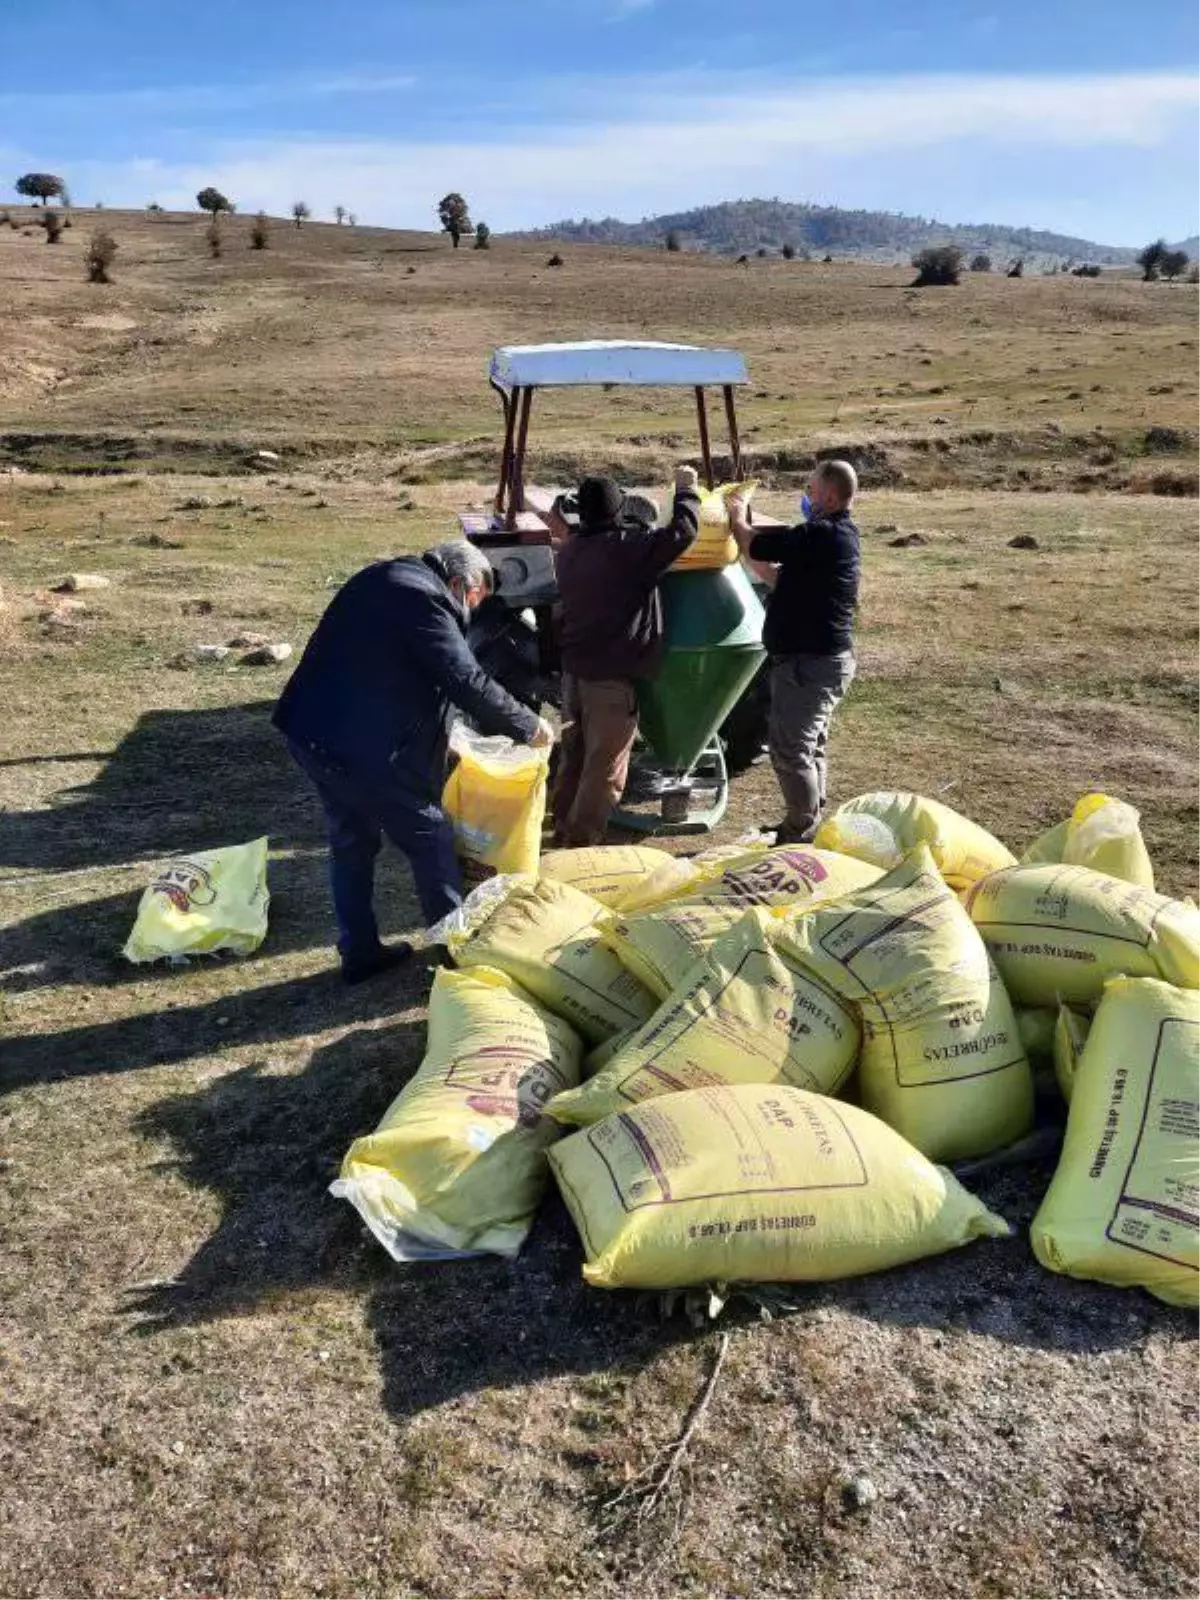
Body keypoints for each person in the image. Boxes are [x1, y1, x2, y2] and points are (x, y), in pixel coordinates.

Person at [274, 540, 554, 982]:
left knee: (351, 840)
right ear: (461, 583)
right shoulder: (424, 600)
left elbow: (402, 670)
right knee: (431, 836)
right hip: (357, 748)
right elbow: (465, 679)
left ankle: (360, 952)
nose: (474, 610)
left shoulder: (382, 577)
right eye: (477, 599)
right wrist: (529, 726)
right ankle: (454, 957)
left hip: (311, 731)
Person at [551, 467, 701, 846]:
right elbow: (683, 533)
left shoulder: (570, 550)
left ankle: (563, 828)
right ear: (619, 510)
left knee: (575, 756)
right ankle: (580, 844)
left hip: (574, 674)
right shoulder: (627, 551)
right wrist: (687, 491)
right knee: (604, 769)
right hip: (610, 681)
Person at [728, 460, 861, 844]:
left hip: (810, 665)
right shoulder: (836, 538)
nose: (808, 495)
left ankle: (800, 829)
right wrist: (749, 552)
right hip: (820, 663)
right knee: (810, 744)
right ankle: (809, 821)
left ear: (831, 496)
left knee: (790, 748)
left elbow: (757, 542)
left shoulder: (822, 534)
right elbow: (778, 575)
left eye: (812, 489)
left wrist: (737, 517)